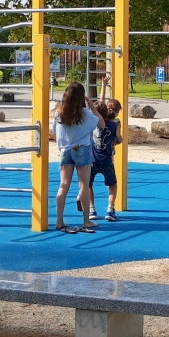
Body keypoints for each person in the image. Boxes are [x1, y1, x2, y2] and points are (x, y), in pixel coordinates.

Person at [53, 82, 105, 234]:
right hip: (82, 149)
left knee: (63, 185)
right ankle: (86, 221)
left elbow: (54, 131)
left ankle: (59, 221)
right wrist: (92, 106)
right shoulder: (84, 113)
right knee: (83, 186)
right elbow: (101, 124)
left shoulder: (59, 113)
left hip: (65, 150)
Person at [89, 76, 123, 222]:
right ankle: (110, 208)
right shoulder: (116, 123)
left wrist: (104, 85)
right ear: (117, 112)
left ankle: (91, 209)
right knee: (112, 184)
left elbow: (101, 102)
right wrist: (117, 140)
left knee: (88, 184)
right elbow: (119, 138)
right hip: (107, 159)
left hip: (92, 158)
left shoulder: (97, 120)